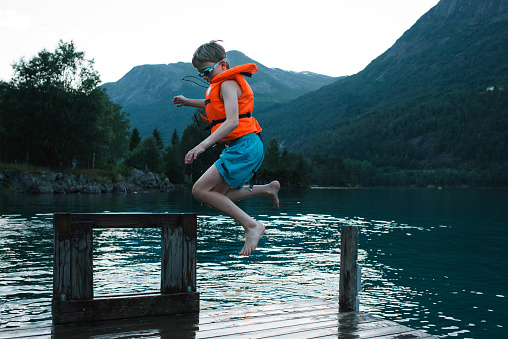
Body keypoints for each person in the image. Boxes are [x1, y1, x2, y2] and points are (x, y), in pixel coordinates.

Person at [172, 40, 280, 256]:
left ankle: (252, 225)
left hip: (245, 146)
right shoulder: (221, 86)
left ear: (223, 65)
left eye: (207, 71)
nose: (204, 76)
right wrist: (187, 101)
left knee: (200, 190)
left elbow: (232, 121)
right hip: (245, 146)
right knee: (219, 194)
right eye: (201, 73)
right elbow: (213, 104)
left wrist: (201, 146)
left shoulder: (229, 83)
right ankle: (267, 189)